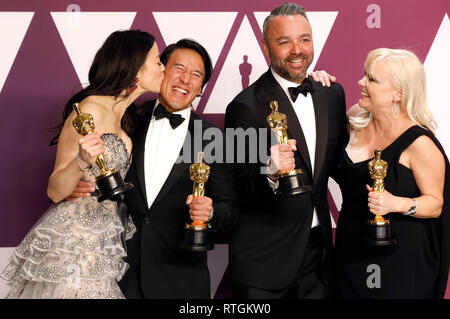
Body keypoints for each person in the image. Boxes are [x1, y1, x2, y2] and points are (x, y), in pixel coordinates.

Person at [0, 30, 165, 298]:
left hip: (104, 243)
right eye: (157, 61)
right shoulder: (89, 111)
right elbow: (55, 190)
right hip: (74, 244)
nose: (163, 67)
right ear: (135, 66)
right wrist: (80, 162)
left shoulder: (126, 116)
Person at [224, 3, 347, 299]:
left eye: (304, 39)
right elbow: (240, 187)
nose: (297, 50)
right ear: (266, 47)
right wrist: (270, 170)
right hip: (264, 261)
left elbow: (341, 164)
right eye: (284, 42)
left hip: (318, 258)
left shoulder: (332, 94)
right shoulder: (243, 107)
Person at [333, 48, 450, 298]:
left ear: (398, 93)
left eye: (372, 79)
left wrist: (395, 203)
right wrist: (320, 86)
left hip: (399, 261)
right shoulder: (355, 119)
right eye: (365, 75)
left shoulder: (420, 143)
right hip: (350, 251)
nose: (360, 82)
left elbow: (436, 204)